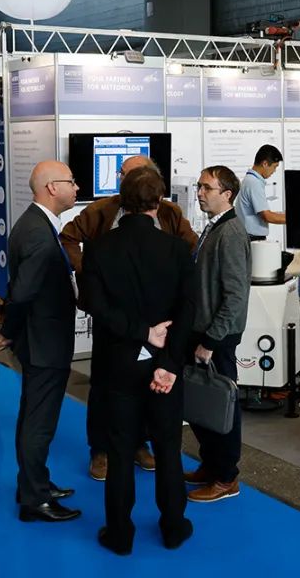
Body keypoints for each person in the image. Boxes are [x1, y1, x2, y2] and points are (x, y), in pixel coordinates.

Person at [79, 167, 196, 555]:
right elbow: (188, 311)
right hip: (164, 366)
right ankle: (174, 527)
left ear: (122, 201)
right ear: (159, 202)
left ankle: (119, 534)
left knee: (119, 450)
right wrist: (170, 363)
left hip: (117, 365)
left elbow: (95, 306)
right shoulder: (177, 250)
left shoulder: (99, 249)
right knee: (168, 448)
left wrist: (140, 331)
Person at [60, 154, 197, 481]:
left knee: (151, 385)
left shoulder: (170, 213)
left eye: (129, 174)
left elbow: (189, 246)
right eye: (122, 174)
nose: (124, 179)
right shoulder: (102, 210)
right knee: (103, 385)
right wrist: (87, 273)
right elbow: (68, 237)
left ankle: (138, 444)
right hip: (113, 322)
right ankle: (101, 450)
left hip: (157, 325)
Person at [1, 161, 81, 522]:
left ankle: (35, 483)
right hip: (43, 342)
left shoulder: (38, 224)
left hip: (42, 338)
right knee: (39, 422)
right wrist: (8, 331)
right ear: (52, 187)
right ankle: (35, 499)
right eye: (71, 182)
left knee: (34, 416)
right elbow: (22, 293)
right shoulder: (37, 231)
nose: (77, 188)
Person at [184, 165, 252, 503]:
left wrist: (211, 340)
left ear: (227, 194)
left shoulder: (231, 233)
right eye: (199, 186)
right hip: (203, 330)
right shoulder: (214, 227)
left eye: (206, 188)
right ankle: (211, 465)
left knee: (221, 404)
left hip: (217, 337)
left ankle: (226, 477)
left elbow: (236, 295)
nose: (199, 193)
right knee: (202, 403)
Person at [234, 144, 285, 241]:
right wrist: (295, 220)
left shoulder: (250, 180)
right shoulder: (254, 182)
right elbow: (267, 216)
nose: (274, 171)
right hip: (252, 238)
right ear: (265, 164)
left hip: (248, 237)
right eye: (274, 167)